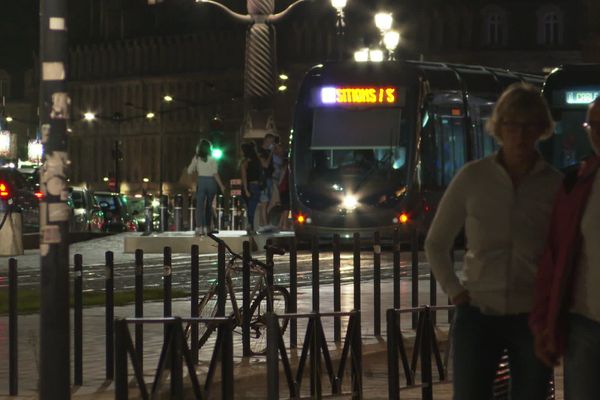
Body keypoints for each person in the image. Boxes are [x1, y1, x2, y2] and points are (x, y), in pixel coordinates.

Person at [424, 83, 562, 400]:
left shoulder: (553, 185)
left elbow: (564, 252)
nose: (520, 135)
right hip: (478, 312)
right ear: (499, 128)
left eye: (529, 126)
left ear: (542, 129)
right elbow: (436, 242)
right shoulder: (473, 178)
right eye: (512, 125)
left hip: (532, 317)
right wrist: (455, 291)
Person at [530, 97, 600, 400]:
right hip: (586, 323)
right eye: (593, 125)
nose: (598, 132)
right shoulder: (578, 181)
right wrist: (545, 320)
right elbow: (556, 255)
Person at [187, 139, 225, 236]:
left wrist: (193, 180)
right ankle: (207, 227)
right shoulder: (212, 158)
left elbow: (189, 170)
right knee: (208, 206)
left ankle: (199, 227)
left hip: (201, 181)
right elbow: (215, 173)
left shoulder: (197, 158)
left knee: (200, 206)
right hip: (211, 182)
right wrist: (221, 185)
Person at [240, 141, 262, 234]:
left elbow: (244, 176)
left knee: (250, 207)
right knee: (252, 207)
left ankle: (250, 225)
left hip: (249, 186)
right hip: (255, 186)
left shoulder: (245, 162)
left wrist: (245, 189)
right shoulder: (257, 161)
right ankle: (251, 226)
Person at [256, 132, 277, 231]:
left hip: (268, 178)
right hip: (263, 180)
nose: (271, 144)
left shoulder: (268, 152)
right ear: (266, 140)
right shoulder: (260, 151)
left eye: (273, 142)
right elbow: (265, 165)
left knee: (266, 202)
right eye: (270, 142)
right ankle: (264, 224)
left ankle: (262, 224)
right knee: (264, 202)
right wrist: (271, 153)